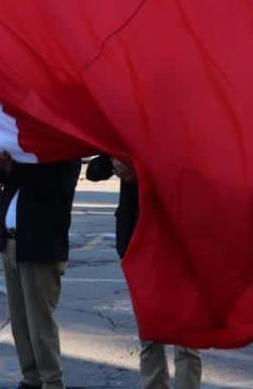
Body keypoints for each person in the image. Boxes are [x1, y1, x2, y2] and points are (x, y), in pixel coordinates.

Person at [87, 155, 202, 389]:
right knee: (150, 335)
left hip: (180, 242)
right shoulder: (132, 132)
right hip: (138, 243)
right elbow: (93, 171)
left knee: (187, 338)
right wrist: (114, 160)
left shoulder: (182, 135)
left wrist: (141, 169)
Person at [0, 142, 81, 389]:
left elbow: (51, 186)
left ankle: (52, 382)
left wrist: (12, 166)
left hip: (40, 247)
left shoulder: (66, 150)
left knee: (39, 323)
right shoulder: (24, 153)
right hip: (11, 243)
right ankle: (31, 378)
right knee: (20, 321)